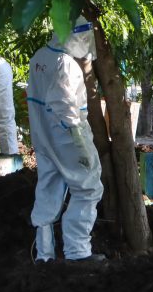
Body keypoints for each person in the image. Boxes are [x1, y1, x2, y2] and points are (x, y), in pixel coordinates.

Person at [27, 16, 104, 262]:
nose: (84, 43)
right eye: (81, 38)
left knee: (49, 187)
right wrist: (80, 143)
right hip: (66, 138)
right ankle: (78, 252)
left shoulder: (40, 56)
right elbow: (65, 107)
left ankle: (44, 254)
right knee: (88, 188)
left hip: (43, 137)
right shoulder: (66, 64)